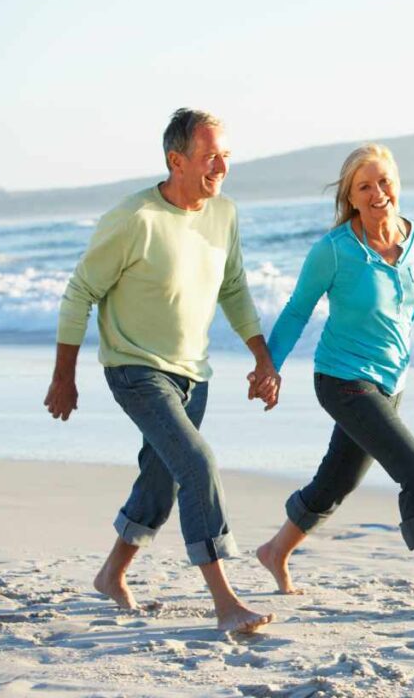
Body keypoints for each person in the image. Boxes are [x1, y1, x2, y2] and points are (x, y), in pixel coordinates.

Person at [43, 108, 278, 633]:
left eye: (226, 156)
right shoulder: (134, 220)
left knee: (162, 476)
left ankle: (111, 574)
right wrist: (65, 376)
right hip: (134, 368)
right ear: (176, 160)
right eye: (210, 155)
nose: (221, 165)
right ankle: (226, 602)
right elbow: (79, 293)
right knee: (196, 463)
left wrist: (262, 357)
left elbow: (234, 288)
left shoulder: (224, 214)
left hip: (193, 373)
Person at [254, 143, 414, 616]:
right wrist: (269, 366)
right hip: (341, 379)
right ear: (350, 198)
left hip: (390, 384)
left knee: (336, 482)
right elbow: (297, 311)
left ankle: (275, 551)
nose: (378, 193)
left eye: (384, 182)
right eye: (365, 186)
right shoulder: (334, 251)